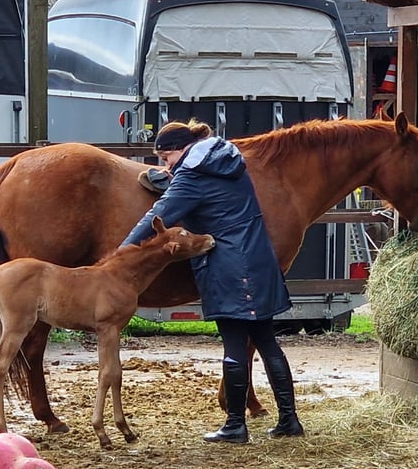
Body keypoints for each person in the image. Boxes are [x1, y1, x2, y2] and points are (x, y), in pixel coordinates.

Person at [121, 119, 304, 444]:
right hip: (257, 259)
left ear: (181, 150)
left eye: (167, 158)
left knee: (234, 344)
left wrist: (123, 252)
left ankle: (235, 425)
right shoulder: (227, 160)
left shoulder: (192, 177)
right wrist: (172, 176)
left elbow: (160, 214)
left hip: (229, 266)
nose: (166, 165)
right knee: (266, 340)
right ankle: (289, 421)